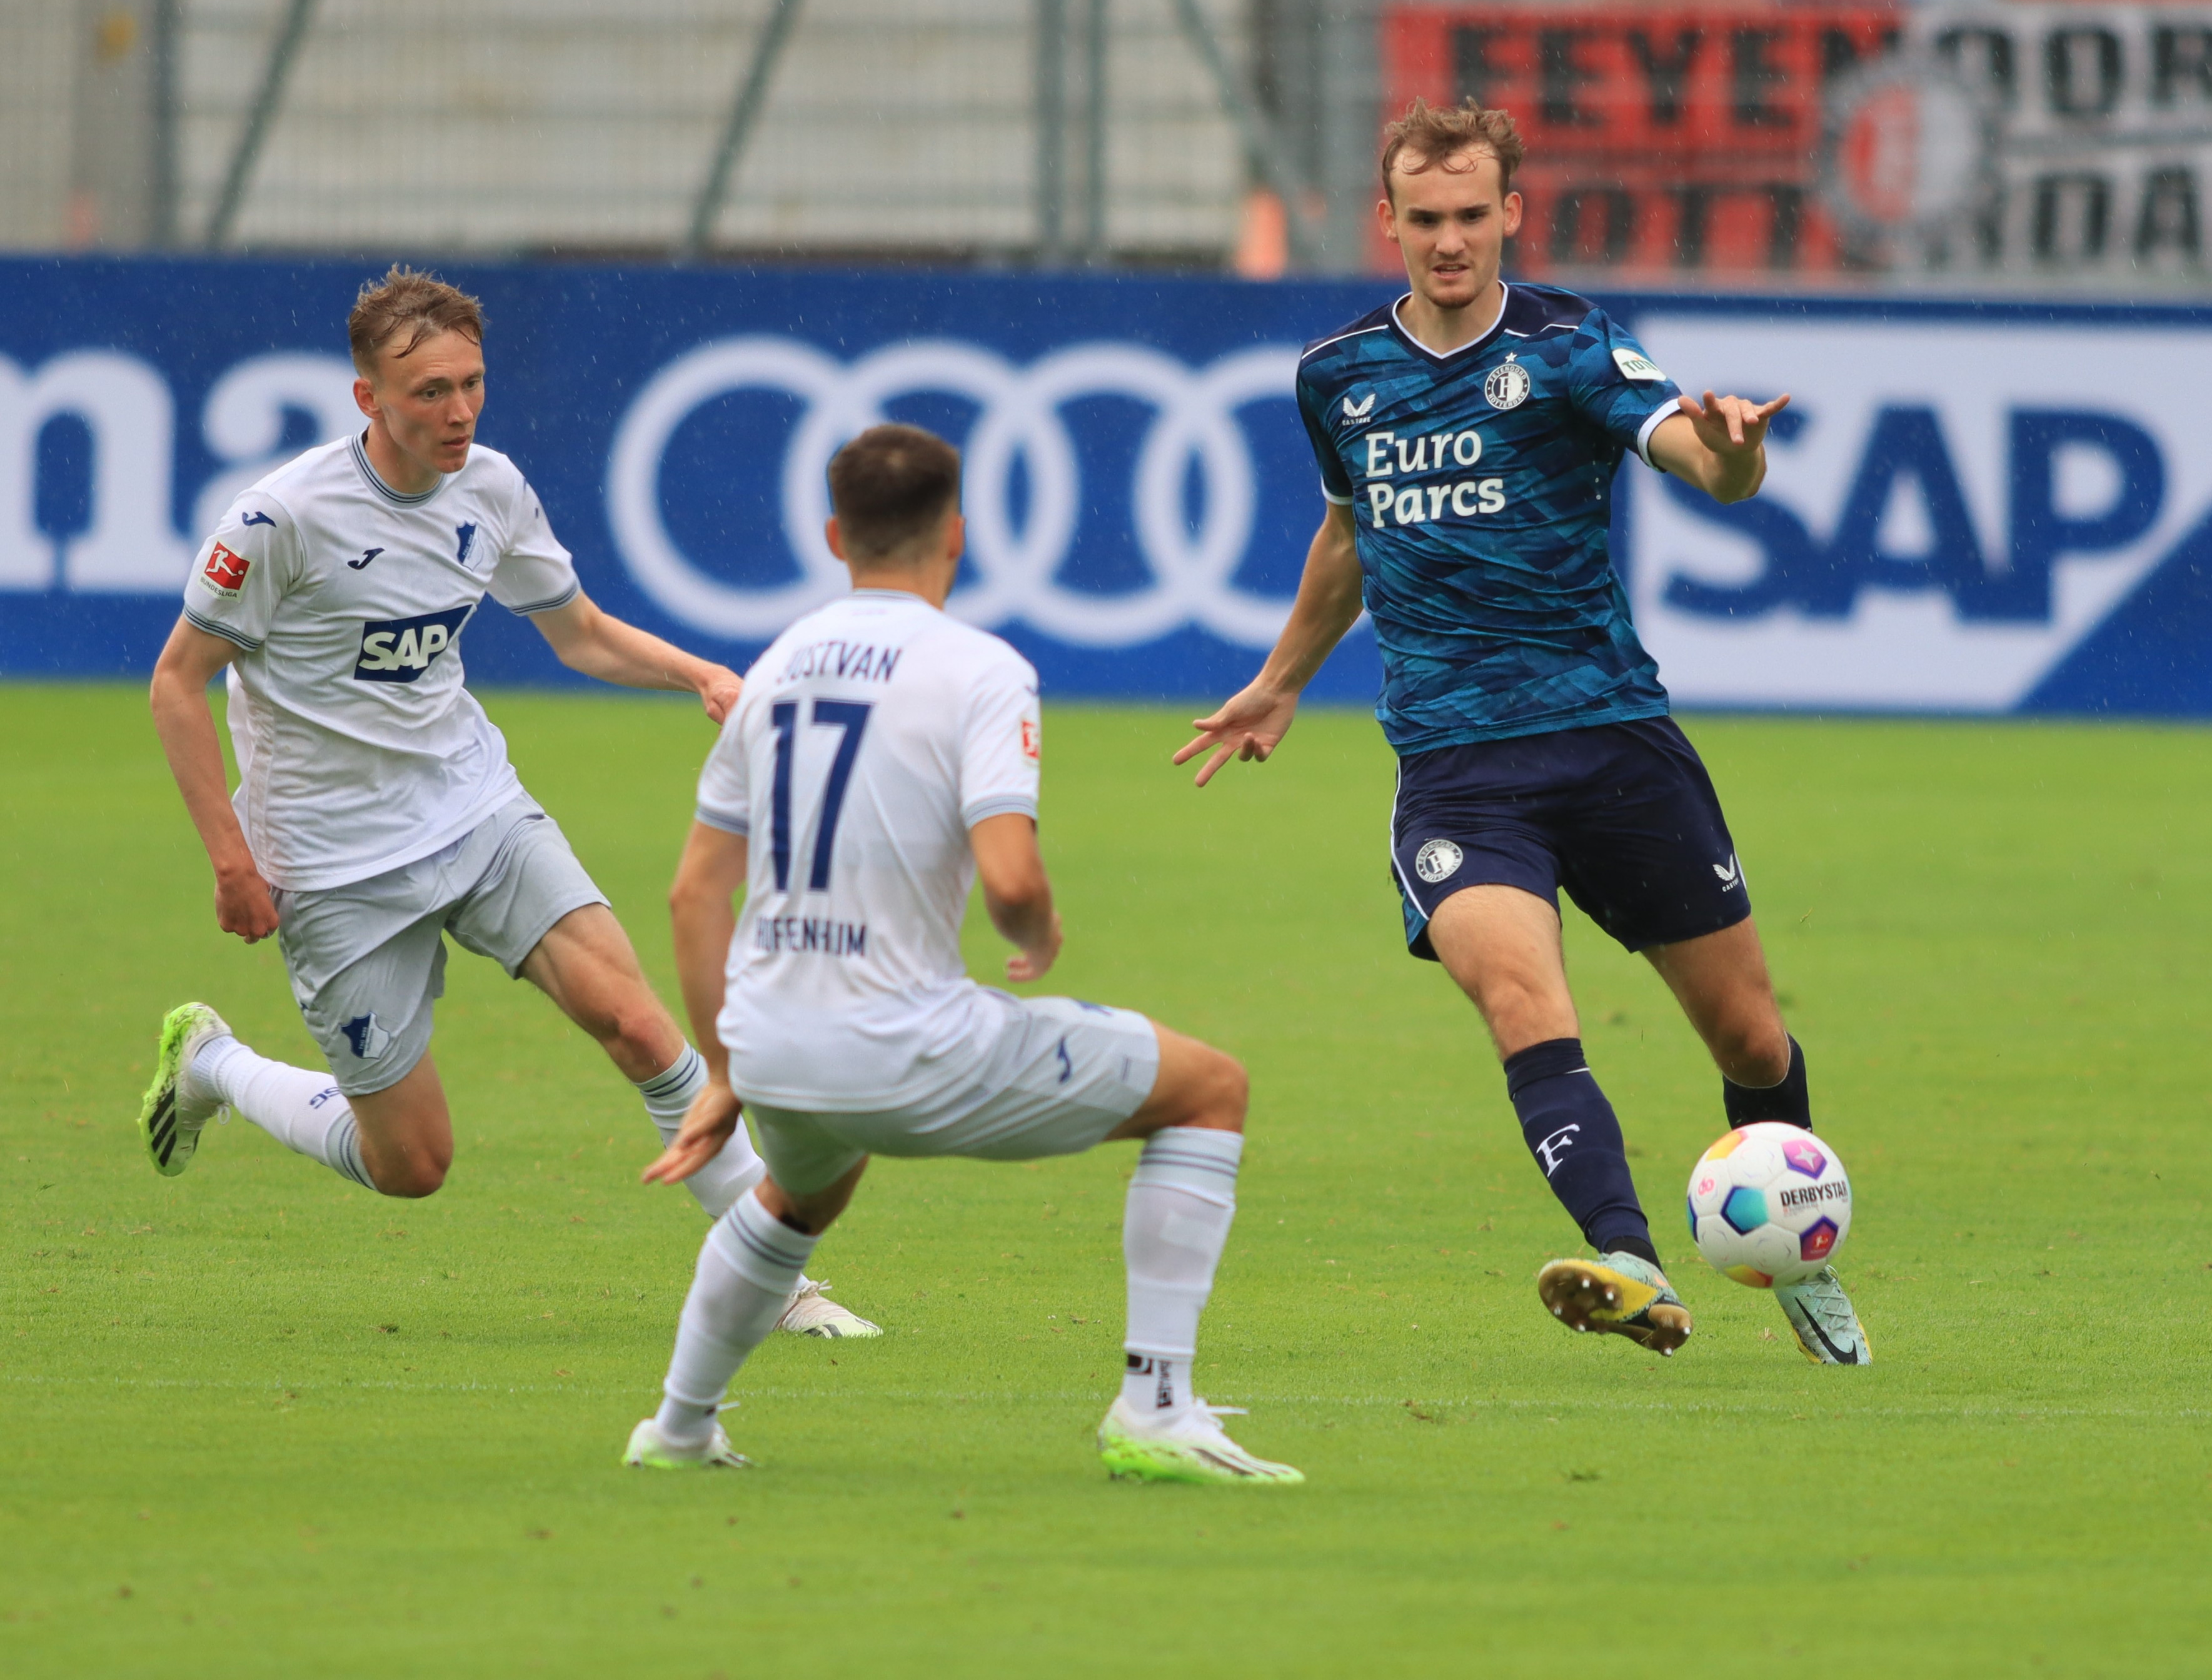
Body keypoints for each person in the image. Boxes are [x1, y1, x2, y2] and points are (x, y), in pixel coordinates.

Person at [1175, 100, 1871, 1367]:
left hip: (1611, 742)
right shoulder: (1337, 377)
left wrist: (1732, 463)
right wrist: (1283, 678)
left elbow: (1685, 450)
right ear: (1390, 220)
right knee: (1523, 1005)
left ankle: (1799, 1259)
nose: (1449, 242)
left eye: (1470, 216)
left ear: (1511, 211)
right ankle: (1632, 1261)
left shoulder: (1566, 345)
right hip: (1455, 770)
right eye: (1424, 219)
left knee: (1749, 1036)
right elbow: (1351, 531)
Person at [139, 264, 875, 1339]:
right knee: (413, 1165)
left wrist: (701, 675)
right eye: (429, 390)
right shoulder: (280, 519)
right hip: (334, 862)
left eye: (472, 383)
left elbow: (577, 632)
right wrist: (230, 859)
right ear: (368, 400)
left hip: (476, 810)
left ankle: (773, 1283)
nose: (458, 410)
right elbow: (176, 680)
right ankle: (212, 1063)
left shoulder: (492, 488)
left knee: (636, 1023)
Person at [623, 423, 1300, 1482]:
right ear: (961, 535)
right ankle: (1156, 1406)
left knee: (802, 1196)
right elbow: (1014, 880)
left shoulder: (776, 668)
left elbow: (692, 891)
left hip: (771, 1044)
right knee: (1211, 1090)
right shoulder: (981, 669)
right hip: (904, 1046)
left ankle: (677, 1427)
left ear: (837, 534)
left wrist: (723, 1068)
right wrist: (1039, 935)